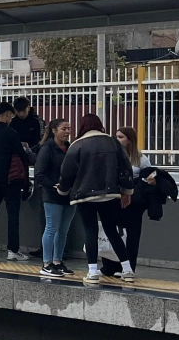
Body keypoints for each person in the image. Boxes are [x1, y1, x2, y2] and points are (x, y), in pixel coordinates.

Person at [57, 114, 135, 285]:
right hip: (110, 194)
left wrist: (63, 191)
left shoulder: (77, 145)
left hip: (85, 196)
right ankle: (127, 270)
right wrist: (126, 191)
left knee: (90, 231)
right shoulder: (112, 142)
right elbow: (125, 167)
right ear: (99, 125)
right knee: (112, 231)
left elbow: (67, 172)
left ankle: (92, 272)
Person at [0, 101, 32, 261]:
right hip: (10, 180)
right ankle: (12, 251)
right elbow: (21, 154)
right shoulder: (10, 132)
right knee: (12, 215)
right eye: (11, 115)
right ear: (8, 114)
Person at [35, 119, 74, 278]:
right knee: (51, 227)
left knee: (63, 230)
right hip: (52, 196)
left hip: (69, 195)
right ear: (54, 131)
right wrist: (54, 186)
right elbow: (39, 174)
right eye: (63, 129)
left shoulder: (69, 148)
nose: (67, 132)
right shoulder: (47, 149)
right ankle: (46, 263)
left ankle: (58, 261)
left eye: (69, 128)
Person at [114, 126, 154, 275]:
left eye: (120, 137)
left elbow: (150, 175)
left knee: (132, 234)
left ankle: (129, 267)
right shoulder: (114, 155)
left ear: (129, 140)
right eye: (116, 136)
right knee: (113, 232)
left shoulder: (141, 159)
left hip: (134, 202)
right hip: (116, 199)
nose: (117, 140)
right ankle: (112, 265)